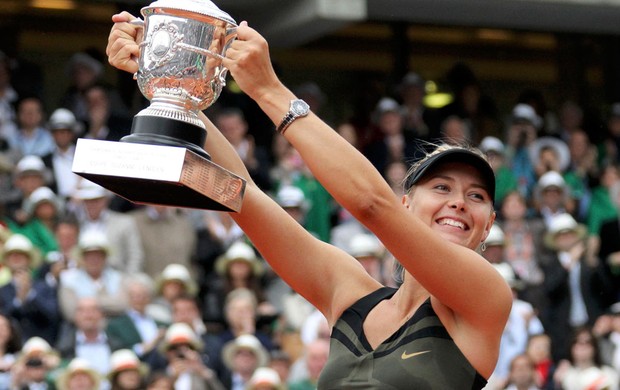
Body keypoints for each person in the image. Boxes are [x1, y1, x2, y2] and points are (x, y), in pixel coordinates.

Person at [107, 13, 512, 389]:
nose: (458, 202)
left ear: (488, 224)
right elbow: (241, 196)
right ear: (407, 204)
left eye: (475, 196)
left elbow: (372, 205)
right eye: (441, 188)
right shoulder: (351, 294)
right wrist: (170, 82)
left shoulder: (486, 298)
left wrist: (269, 90)